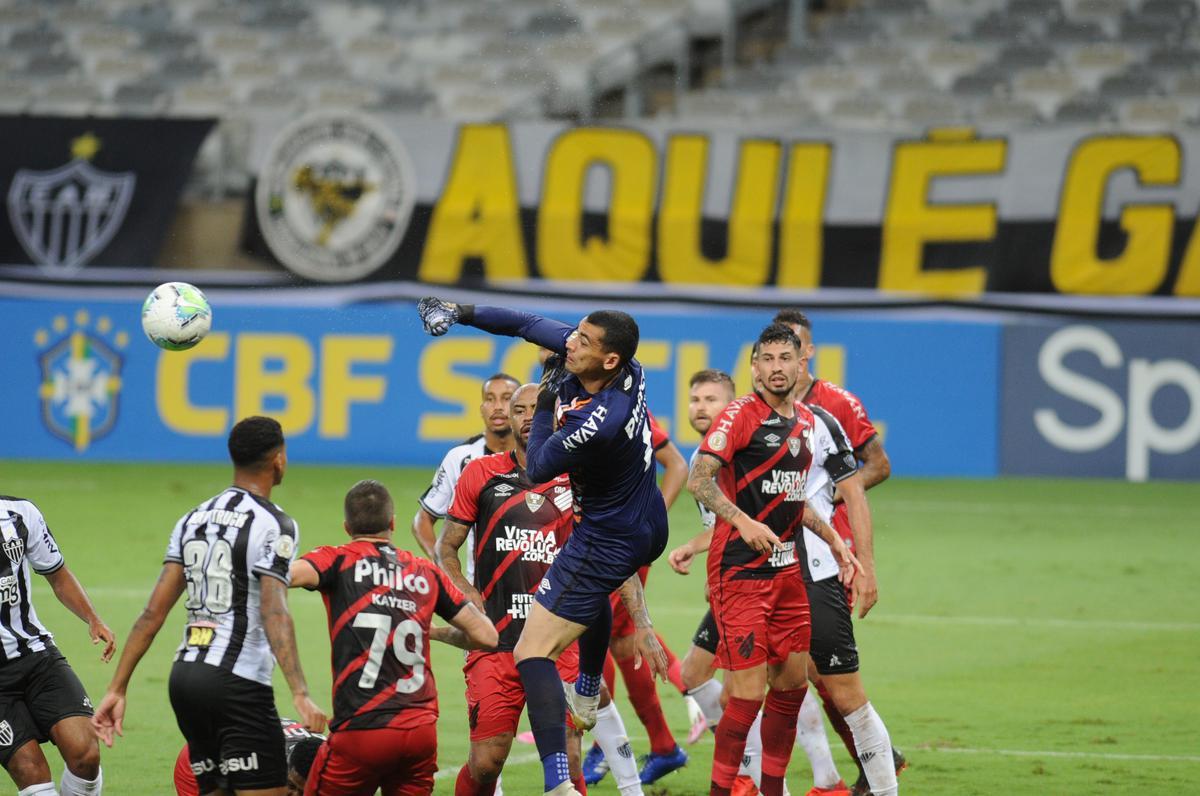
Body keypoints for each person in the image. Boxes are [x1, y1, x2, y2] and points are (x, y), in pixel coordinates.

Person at [419, 298, 668, 796]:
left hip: (608, 535)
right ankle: (589, 687)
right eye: (576, 333)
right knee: (590, 597)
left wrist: (550, 397)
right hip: (646, 517)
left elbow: (538, 467)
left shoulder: (604, 416)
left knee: (531, 651)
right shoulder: (624, 366)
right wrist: (459, 311)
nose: (571, 343)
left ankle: (557, 783)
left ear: (609, 359)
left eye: (583, 341)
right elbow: (527, 323)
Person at [92, 416, 327, 796]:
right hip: (238, 684)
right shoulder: (275, 523)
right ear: (278, 459)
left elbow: (152, 613)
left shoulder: (192, 519)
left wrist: (117, 688)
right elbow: (274, 610)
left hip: (185, 679)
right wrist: (299, 692)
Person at [439, 383, 647, 796]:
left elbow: (612, 554)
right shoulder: (481, 473)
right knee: (487, 763)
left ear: (555, 417)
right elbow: (446, 548)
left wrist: (642, 620)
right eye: (520, 409)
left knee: (569, 758)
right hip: (495, 640)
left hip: (558, 641)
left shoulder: (579, 478)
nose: (528, 416)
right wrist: (464, 590)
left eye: (538, 408)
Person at [688, 324, 861, 796]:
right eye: (767, 359)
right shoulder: (739, 416)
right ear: (754, 367)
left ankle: (771, 790)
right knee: (746, 697)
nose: (776, 368)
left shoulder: (805, 422)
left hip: (787, 572)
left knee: (791, 689)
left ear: (801, 363)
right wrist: (741, 521)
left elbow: (793, 500)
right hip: (740, 573)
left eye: (785, 358)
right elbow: (699, 480)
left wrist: (835, 541)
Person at [290, 479, 497, 795]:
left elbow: (287, 575)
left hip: (363, 727)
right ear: (392, 524)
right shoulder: (425, 571)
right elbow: (487, 636)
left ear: (347, 527)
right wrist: (433, 632)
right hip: (420, 732)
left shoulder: (337, 560)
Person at [772, 309, 903, 796]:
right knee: (793, 675)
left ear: (807, 352)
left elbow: (877, 466)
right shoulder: (752, 414)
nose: (783, 360)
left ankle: (871, 767)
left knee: (826, 675)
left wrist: (828, 496)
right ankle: (847, 770)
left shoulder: (834, 407)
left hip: (828, 552)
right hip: (767, 562)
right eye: (773, 353)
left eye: (792, 348)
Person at [586, 413, 692, 787]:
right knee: (619, 639)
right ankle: (662, 746)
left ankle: (603, 745)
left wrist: (648, 519)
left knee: (593, 634)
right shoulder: (575, 407)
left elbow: (677, 464)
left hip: (615, 544)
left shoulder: (621, 411)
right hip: (591, 540)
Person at [0, 495, 115, 796]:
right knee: (31, 771)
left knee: (86, 755)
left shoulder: (20, 514)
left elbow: (58, 575)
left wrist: (92, 618)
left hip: (35, 654)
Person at [412, 374, 520, 559]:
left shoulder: (541, 455)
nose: (497, 406)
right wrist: (441, 565)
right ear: (481, 408)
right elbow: (423, 520)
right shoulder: (460, 458)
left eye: (506, 398)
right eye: (490, 399)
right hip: (477, 578)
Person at [173, 717, 325, 796]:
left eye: (304, 792)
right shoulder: (265, 770)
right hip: (204, 759)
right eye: (291, 786)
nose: (295, 795)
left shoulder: (333, 765)